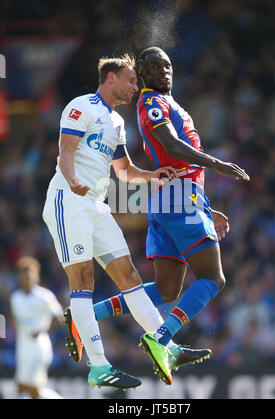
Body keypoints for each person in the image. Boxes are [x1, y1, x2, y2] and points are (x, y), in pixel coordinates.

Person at [64, 49, 246, 386]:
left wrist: (205, 205)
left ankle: (85, 315)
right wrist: (218, 164)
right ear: (143, 75)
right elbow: (171, 146)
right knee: (213, 279)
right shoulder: (151, 103)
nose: (163, 70)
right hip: (180, 198)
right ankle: (161, 338)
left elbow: (177, 161)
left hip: (172, 199)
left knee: (166, 290)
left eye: (167, 65)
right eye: (153, 66)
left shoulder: (166, 103)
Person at [42, 53, 192, 390]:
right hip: (69, 201)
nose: (136, 86)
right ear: (111, 78)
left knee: (129, 274)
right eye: (131, 80)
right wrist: (73, 179)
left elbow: (124, 172)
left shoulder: (117, 123)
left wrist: (153, 175)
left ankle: (166, 346)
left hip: (96, 206)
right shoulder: (81, 106)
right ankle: (99, 366)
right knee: (82, 278)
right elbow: (66, 152)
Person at [10, 256, 64, 399]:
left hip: (39, 348)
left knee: (33, 389)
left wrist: (42, 330)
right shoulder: (15, 297)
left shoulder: (44, 296)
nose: (26, 277)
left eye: (30, 274)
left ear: (36, 276)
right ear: (19, 277)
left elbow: (61, 317)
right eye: (23, 274)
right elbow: (15, 320)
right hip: (22, 350)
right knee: (22, 389)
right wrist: (14, 324)